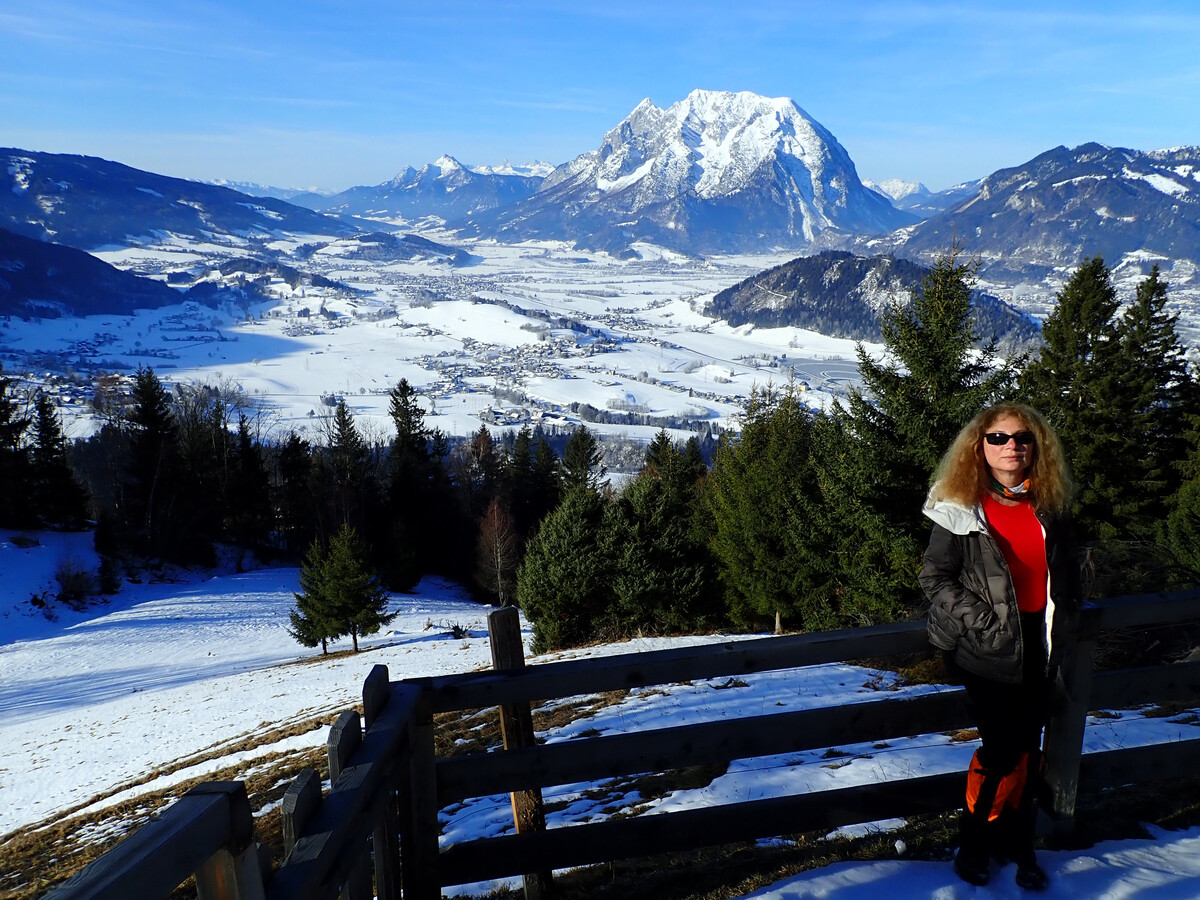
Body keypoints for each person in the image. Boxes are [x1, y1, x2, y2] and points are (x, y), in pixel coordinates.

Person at [919, 403, 1080, 891]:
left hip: (1041, 643)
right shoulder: (960, 506)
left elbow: (1065, 570)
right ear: (979, 447)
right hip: (985, 648)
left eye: (1023, 437)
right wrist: (985, 622)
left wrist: (1069, 610)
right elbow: (934, 577)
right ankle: (975, 843)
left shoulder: (1049, 504)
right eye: (998, 437)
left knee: (1028, 748)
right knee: (1002, 749)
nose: (1012, 445)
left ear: (1037, 446)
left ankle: (1017, 841)